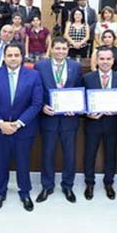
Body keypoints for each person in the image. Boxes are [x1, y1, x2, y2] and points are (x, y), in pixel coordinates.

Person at [0, 42, 44, 211]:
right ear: (4, 57)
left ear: (22, 57)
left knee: (23, 163)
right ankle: (0, 193)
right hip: (0, 128)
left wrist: (18, 123)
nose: (13, 58)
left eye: (16, 55)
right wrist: (0, 123)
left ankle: (25, 193)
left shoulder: (33, 75)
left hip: (24, 129)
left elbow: (36, 103)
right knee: (1, 162)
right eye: (9, 55)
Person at [35, 37, 84, 203]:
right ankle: (47, 186)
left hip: (69, 119)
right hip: (48, 117)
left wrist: (75, 107)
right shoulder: (40, 66)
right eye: (57, 48)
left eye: (64, 49)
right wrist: (42, 106)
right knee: (47, 153)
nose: (60, 51)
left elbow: (79, 89)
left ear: (68, 50)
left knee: (70, 154)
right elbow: (36, 90)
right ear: (51, 49)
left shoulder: (75, 66)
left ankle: (68, 185)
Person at [82, 47, 117, 200]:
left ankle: (109, 183)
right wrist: (87, 112)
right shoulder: (87, 78)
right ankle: (89, 183)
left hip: (112, 123)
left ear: (113, 61)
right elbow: (82, 100)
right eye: (102, 59)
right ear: (97, 60)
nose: (105, 62)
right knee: (90, 154)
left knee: (111, 154)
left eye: (108, 59)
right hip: (92, 123)